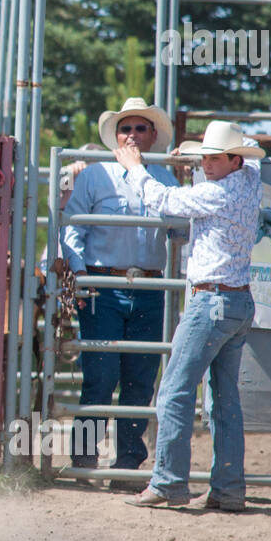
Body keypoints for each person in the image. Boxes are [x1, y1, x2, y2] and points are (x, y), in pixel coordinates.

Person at [116, 120, 263, 512]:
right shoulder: (249, 178)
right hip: (238, 302)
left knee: (175, 392)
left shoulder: (216, 194)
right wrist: (197, 154)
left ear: (233, 160)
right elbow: (251, 148)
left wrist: (134, 167)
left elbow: (164, 201)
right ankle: (228, 488)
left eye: (215, 158)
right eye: (206, 158)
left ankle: (168, 482)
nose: (208, 164)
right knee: (223, 399)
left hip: (210, 302)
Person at [59, 98, 180, 488]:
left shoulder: (165, 177)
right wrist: (79, 274)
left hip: (149, 285)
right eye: (125, 129)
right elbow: (72, 226)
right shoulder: (96, 175)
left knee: (140, 377)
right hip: (103, 284)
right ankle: (83, 459)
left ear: (153, 136)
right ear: (116, 136)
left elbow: (181, 230)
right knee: (101, 374)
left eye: (140, 129)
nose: (132, 135)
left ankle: (128, 463)